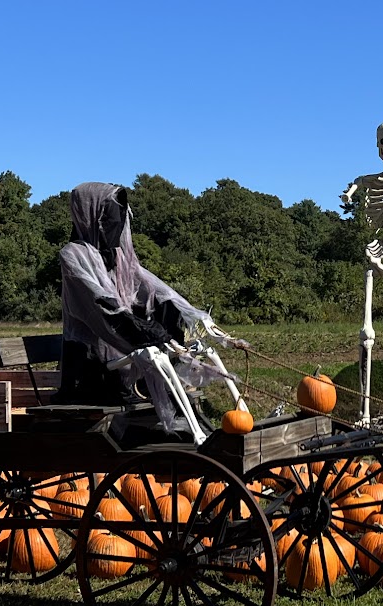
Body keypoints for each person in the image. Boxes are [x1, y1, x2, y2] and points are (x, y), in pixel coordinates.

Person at [58, 182, 247, 440]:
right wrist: (143, 330)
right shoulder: (73, 255)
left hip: (119, 364)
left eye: (118, 221)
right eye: (109, 221)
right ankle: (190, 434)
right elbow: (101, 304)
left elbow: (151, 287)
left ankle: (208, 428)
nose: (116, 228)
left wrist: (185, 314)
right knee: (152, 353)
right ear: (90, 217)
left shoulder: (118, 257)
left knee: (175, 343)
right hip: (91, 369)